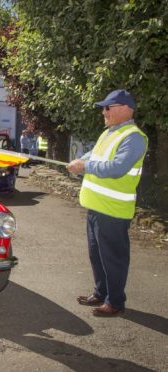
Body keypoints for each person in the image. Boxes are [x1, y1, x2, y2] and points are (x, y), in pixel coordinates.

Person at [67, 89, 147, 317]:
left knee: (113, 258)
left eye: (107, 107)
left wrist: (84, 167)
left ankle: (115, 302)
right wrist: (80, 161)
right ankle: (101, 293)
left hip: (113, 211)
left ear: (124, 109)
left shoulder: (133, 137)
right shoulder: (110, 133)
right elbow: (94, 155)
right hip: (96, 208)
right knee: (97, 255)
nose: (104, 112)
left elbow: (117, 168)